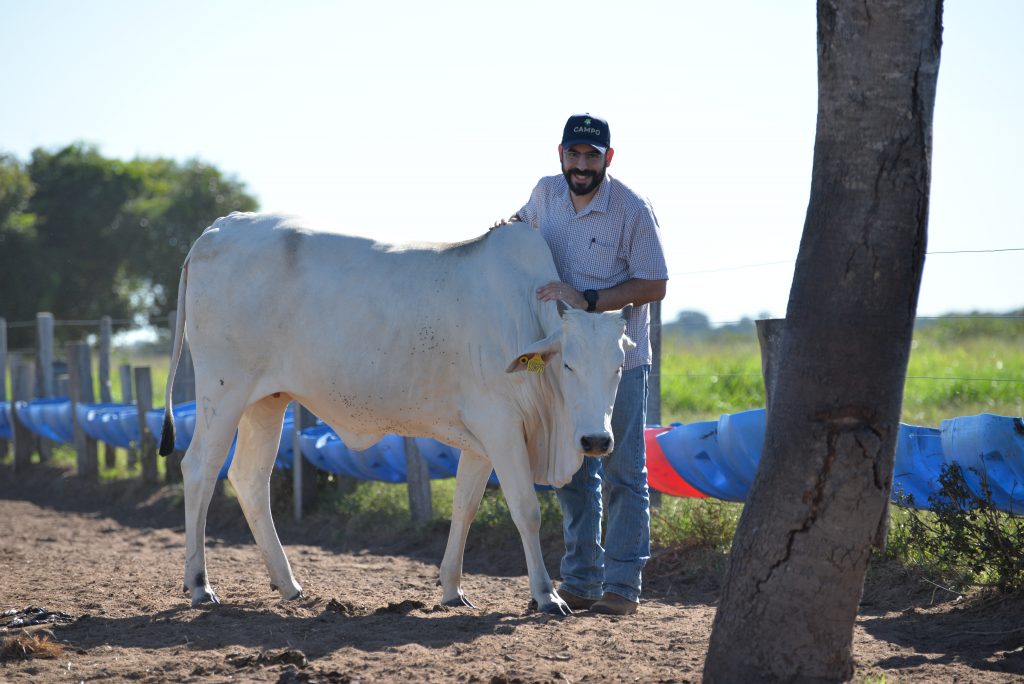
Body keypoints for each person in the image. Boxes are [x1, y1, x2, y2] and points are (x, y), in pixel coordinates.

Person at [505, 113, 668, 616]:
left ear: (608, 159)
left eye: (591, 156)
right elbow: (517, 227)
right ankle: (580, 581)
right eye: (574, 154)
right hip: (565, 359)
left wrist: (588, 298)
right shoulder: (545, 195)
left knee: (623, 472)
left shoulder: (632, 209)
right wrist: (501, 232)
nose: (581, 164)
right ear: (561, 154)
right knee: (571, 469)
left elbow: (655, 284)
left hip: (621, 360)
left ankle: (622, 587)